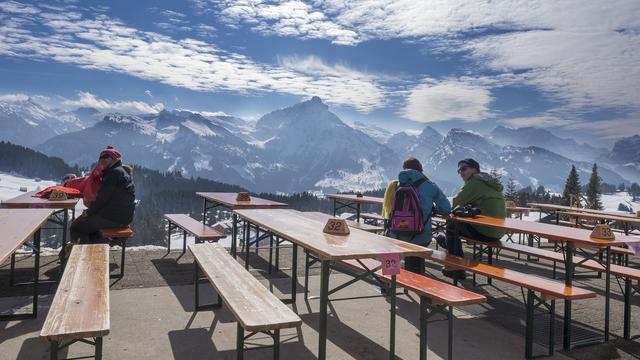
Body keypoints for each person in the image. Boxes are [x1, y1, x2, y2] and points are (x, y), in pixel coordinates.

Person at [438, 158, 506, 279]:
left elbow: (455, 202)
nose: (461, 173)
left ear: (474, 169)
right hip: (498, 232)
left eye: (464, 169)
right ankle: (450, 250)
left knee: (452, 224)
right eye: (459, 171)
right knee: (452, 231)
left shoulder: (475, 182)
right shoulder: (486, 182)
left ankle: (457, 267)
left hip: (486, 231)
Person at [384, 157, 451, 274]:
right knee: (415, 258)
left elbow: (388, 211)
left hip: (396, 233)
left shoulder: (395, 185)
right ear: (421, 170)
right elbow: (446, 208)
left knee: (390, 249)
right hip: (421, 235)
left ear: (404, 170)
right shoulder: (431, 186)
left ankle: (388, 282)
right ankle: (416, 283)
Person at [69, 146, 135, 244]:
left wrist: (89, 212)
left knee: (76, 226)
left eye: (106, 156)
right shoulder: (120, 171)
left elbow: (102, 199)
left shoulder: (113, 173)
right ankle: (91, 254)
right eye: (100, 157)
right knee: (93, 231)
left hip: (114, 217)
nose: (102, 159)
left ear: (114, 158)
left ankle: (80, 256)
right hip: (123, 216)